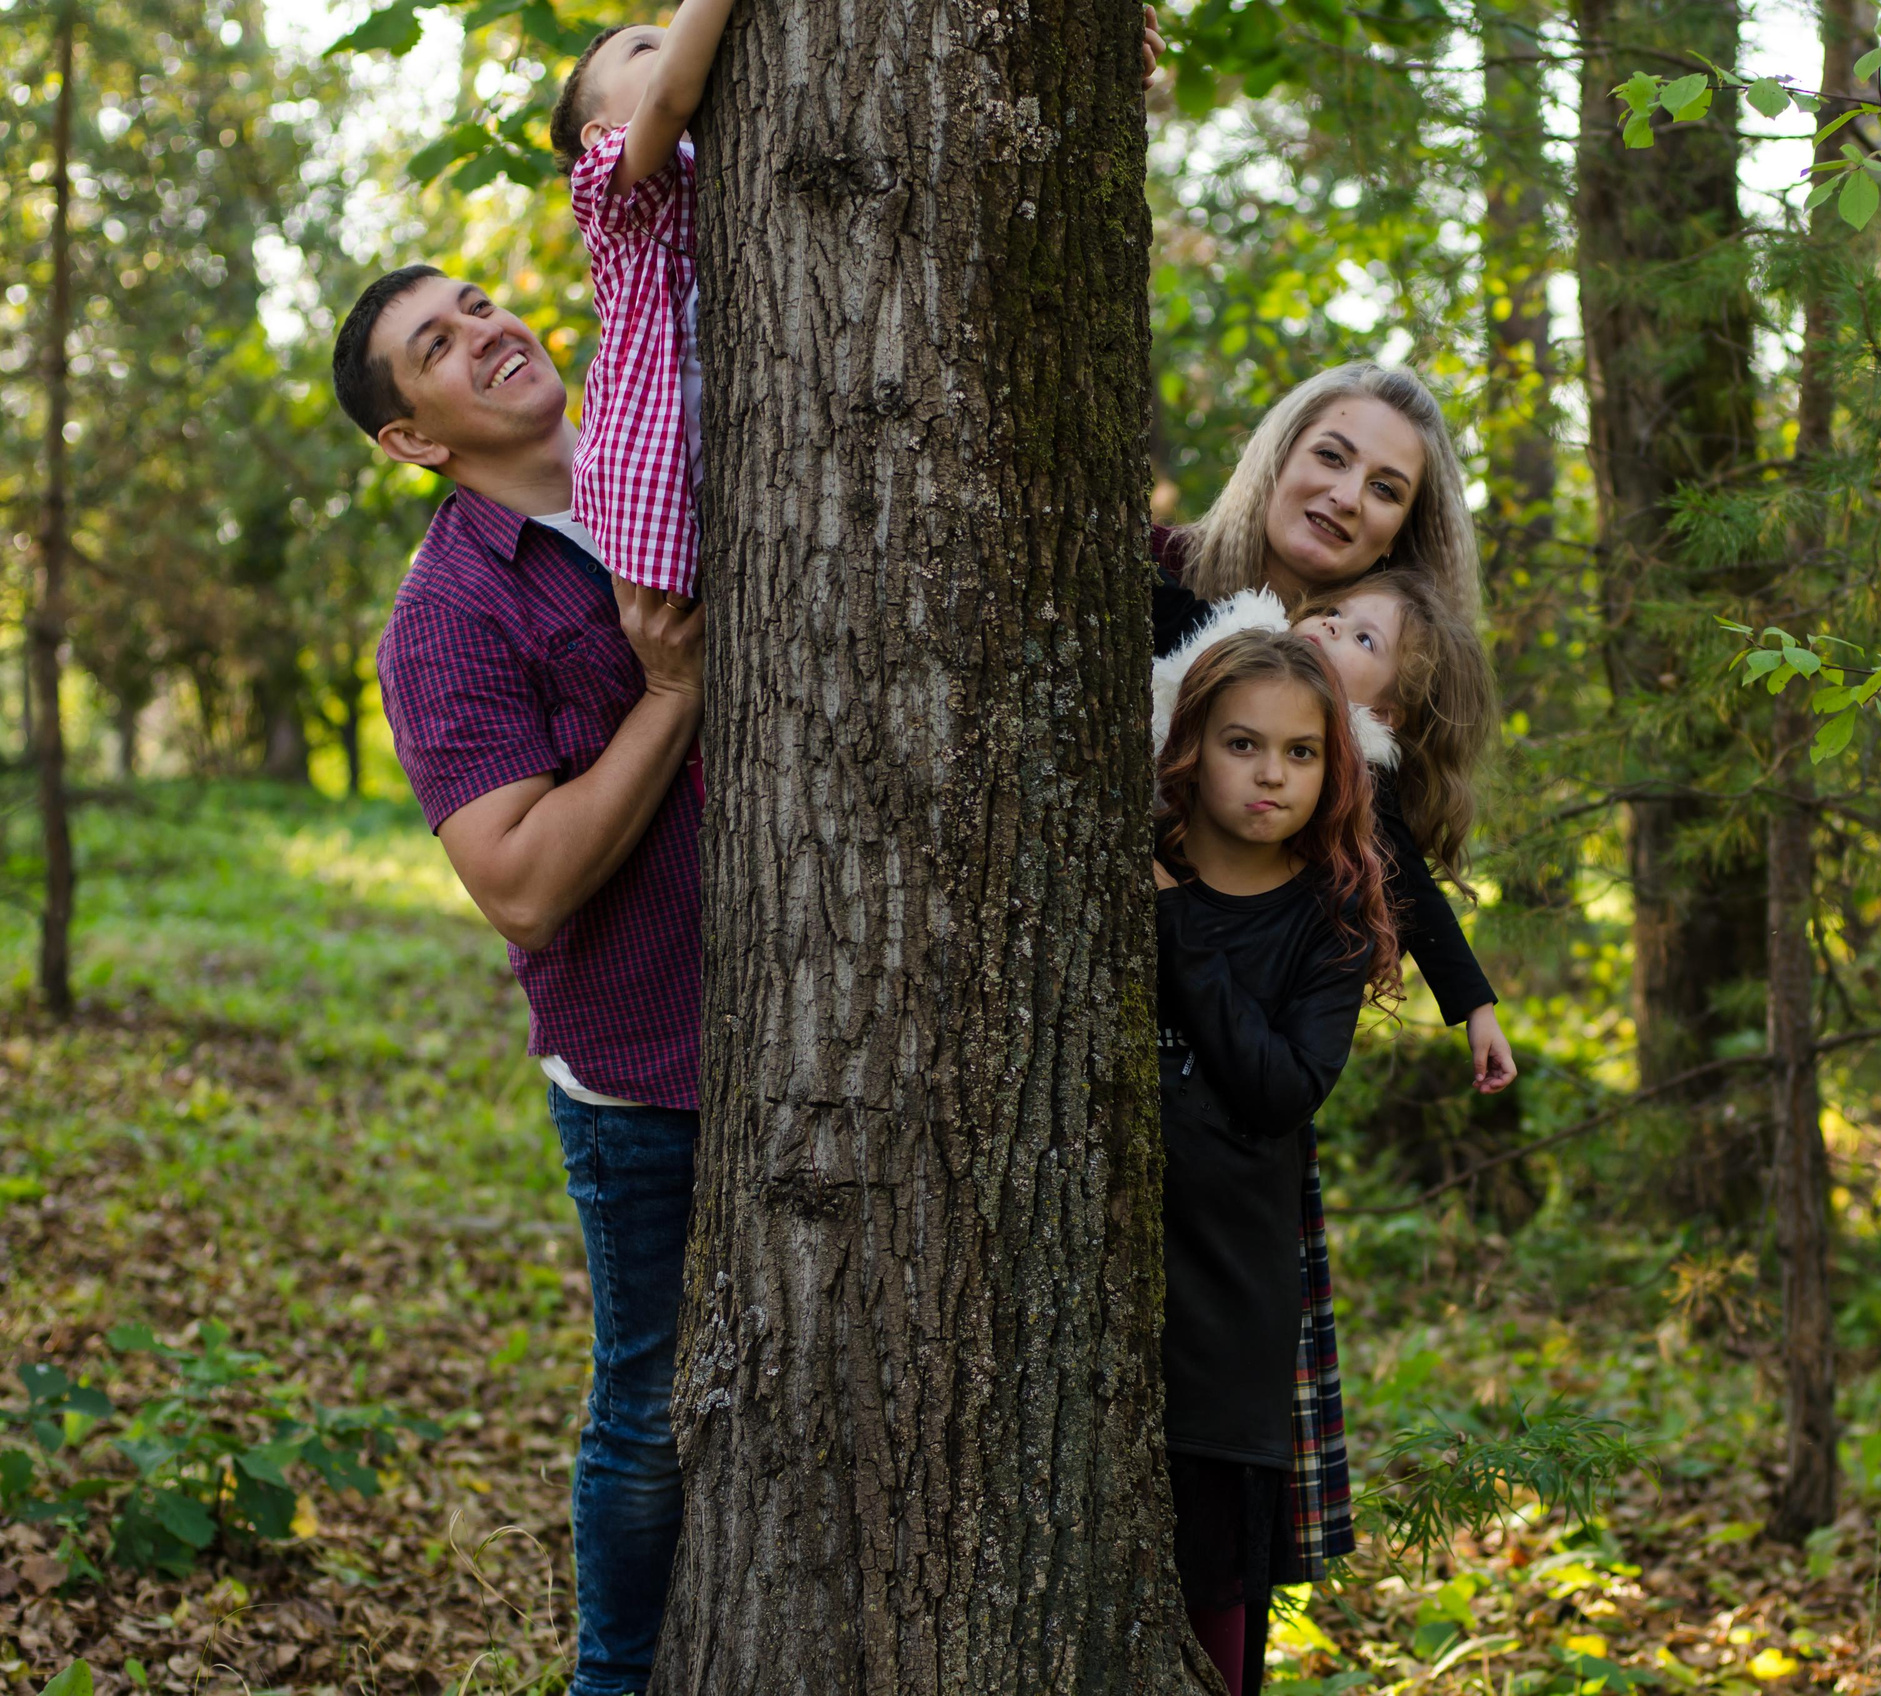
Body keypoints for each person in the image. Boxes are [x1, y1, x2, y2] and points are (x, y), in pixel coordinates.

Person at [330, 264, 702, 1696]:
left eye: (480, 302)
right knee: (649, 1403)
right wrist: (670, 695)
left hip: (825, 1035)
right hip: (646, 1069)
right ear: (412, 439)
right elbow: (522, 884)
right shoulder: (446, 617)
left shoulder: (669, 462)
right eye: (438, 343)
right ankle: (615, 1682)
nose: (488, 329)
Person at [546, 0, 1169, 598]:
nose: (677, 38)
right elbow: (668, 96)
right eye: (644, 47)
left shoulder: (727, 161)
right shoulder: (608, 190)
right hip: (652, 504)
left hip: (732, 479)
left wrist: (1084, 73)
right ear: (600, 133)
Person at [1151, 629, 1401, 1696]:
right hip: (1104, 1286)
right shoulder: (1118, 868)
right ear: (1190, 745)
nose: (1270, 774)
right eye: (1242, 743)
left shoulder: (1328, 922)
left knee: (1214, 1590)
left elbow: (1280, 1088)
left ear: (1331, 768)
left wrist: (1177, 926)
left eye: (1300, 753)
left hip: (1232, 1307)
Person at [1151, 362, 1513, 1092]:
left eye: (1385, 489)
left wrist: (1471, 1001)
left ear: (1398, 534)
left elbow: (1397, 863)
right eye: (1331, 455)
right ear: (1278, 455)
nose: (1347, 496)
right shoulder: (1147, 574)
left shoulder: (1352, 713)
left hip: (1228, 1076)